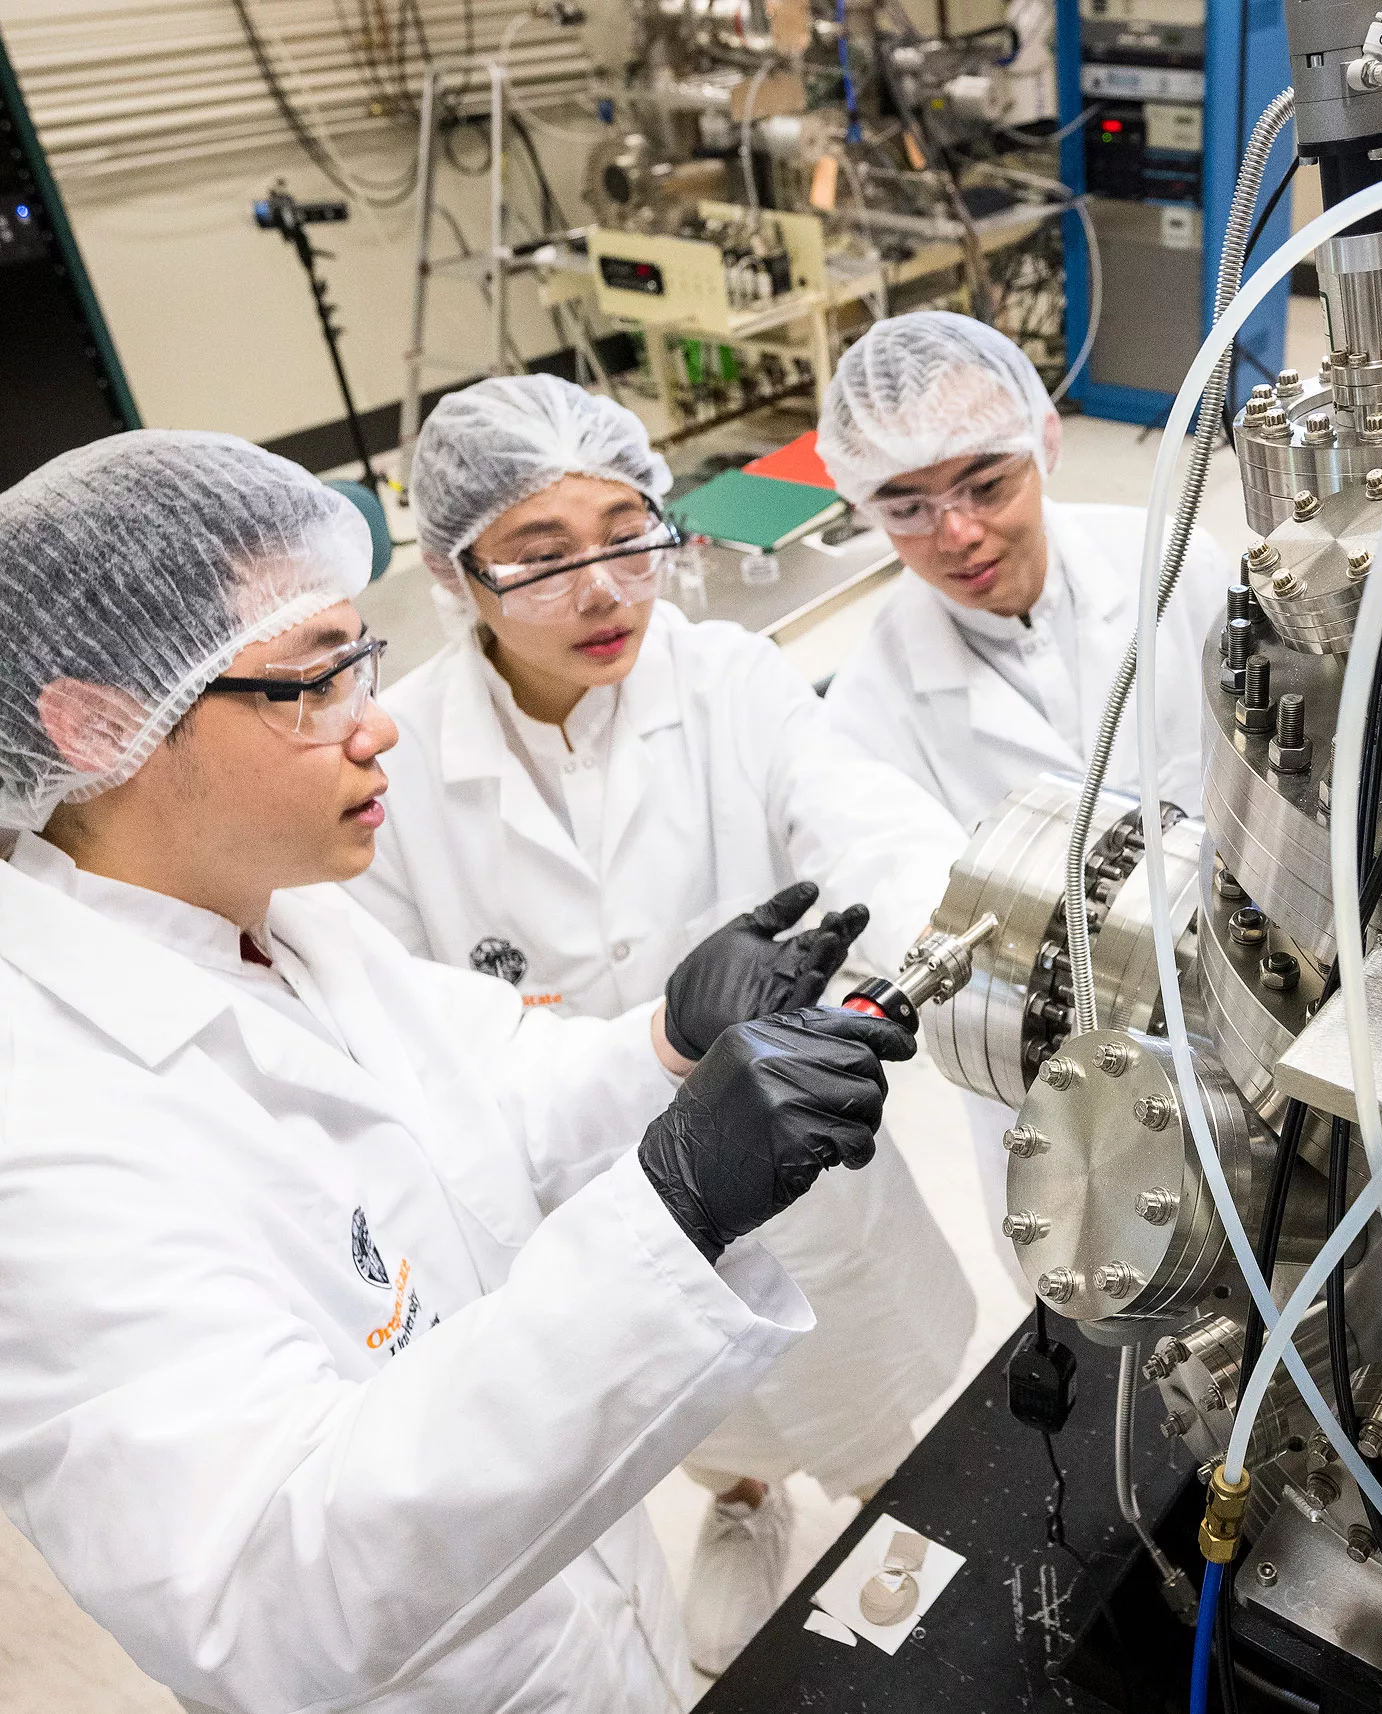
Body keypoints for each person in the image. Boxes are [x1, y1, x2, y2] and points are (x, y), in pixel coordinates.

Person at [0, 431, 917, 1713]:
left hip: (583, 1610)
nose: (377, 722)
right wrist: (675, 1202)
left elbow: (482, 1098)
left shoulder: (285, 918)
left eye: (357, 661)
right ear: (100, 723)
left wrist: (662, 1039)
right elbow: (269, 1585)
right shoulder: (43, 1136)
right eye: (314, 683)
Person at [346, 374, 978, 1676]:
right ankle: (744, 1507)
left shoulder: (727, 676)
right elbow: (381, 994)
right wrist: (520, 1031)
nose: (605, 589)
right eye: (542, 556)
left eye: (632, 535)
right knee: (689, 1405)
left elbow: (870, 821)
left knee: (869, 1395)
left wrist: (908, 947)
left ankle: (891, 1520)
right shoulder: (392, 752)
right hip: (603, 1192)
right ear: (453, 570)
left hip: (803, 1170)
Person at [815, 311, 1233, 1251]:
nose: (956, 533)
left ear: (1044, 441)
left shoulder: (1172, 563)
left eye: (984, 483)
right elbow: (904, 903)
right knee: (1094, 1271)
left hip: (1245, 989)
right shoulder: (869, 704)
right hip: (1053, 1065)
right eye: (906, 506)